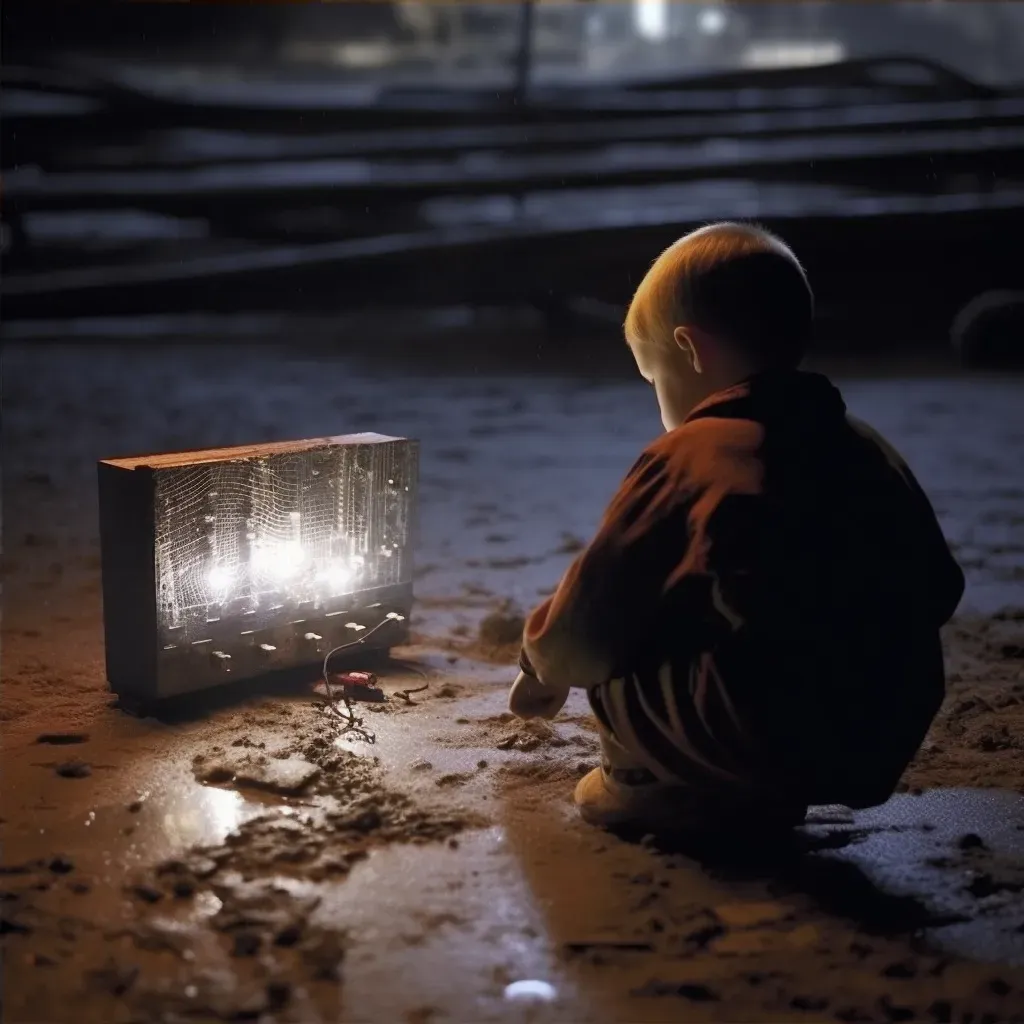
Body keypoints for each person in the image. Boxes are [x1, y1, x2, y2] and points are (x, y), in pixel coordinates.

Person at [508, 222, 965, 836]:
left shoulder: (693, 455)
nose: (660, 402)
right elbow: (942, 586)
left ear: (690, 350)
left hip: (765, 736)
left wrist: (540, 665)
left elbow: (586, 629)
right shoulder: (862, 445)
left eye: (655, 378)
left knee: (622, 653)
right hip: (880, 736)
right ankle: (754, 774)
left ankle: (647, 790)